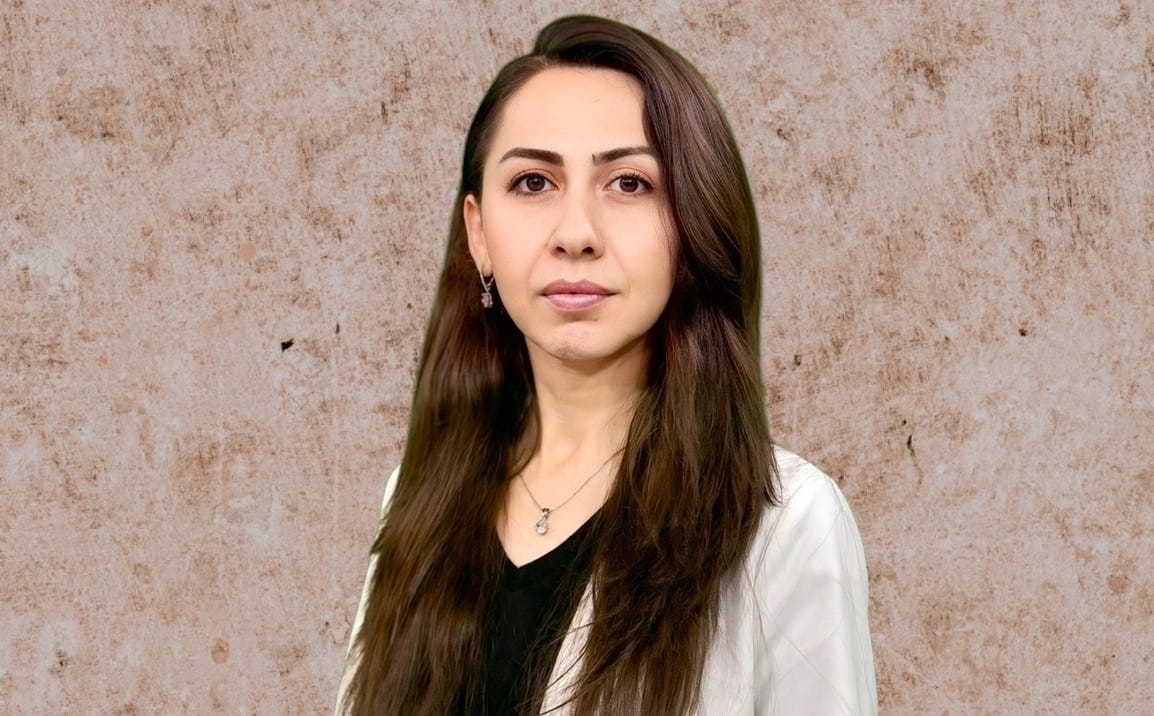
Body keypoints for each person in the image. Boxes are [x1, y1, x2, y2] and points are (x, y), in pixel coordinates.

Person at [335, 14, 875, 716]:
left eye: (628, 183)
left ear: (693, 224)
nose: (576, 234)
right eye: (533, 182)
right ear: (479, 233)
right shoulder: (418, 496)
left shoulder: (785, 526)